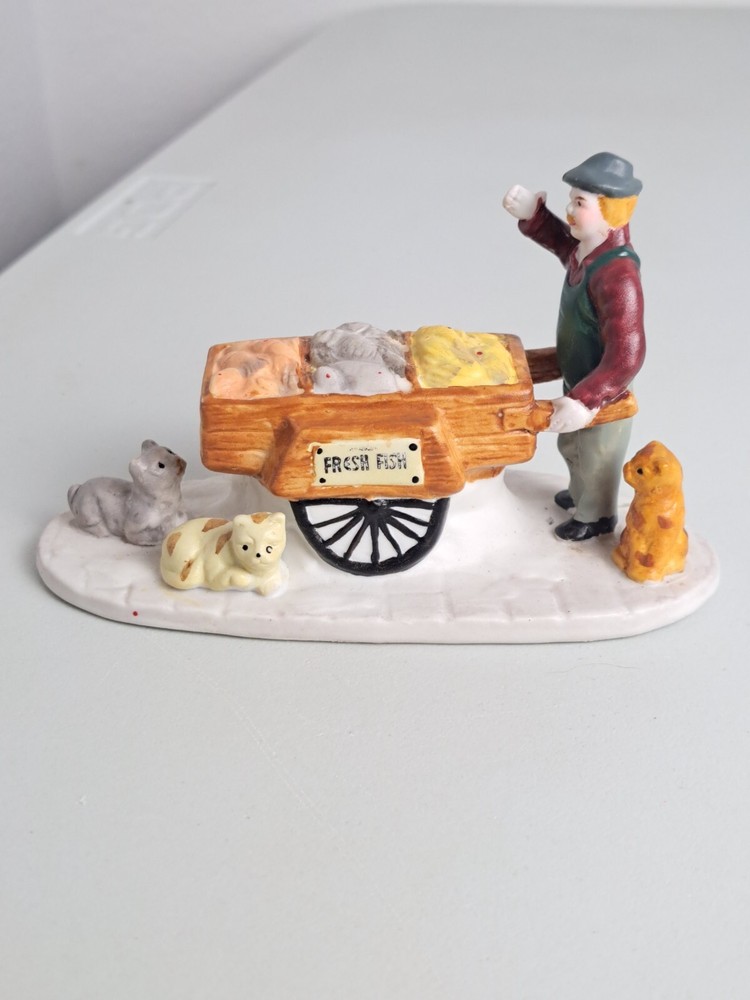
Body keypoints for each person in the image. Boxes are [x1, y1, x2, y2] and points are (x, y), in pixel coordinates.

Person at [502, 152, 646, 541]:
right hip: (579, 376)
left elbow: (628, 355)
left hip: (603, 391)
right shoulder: (586, 251)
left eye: (579, 203)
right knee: (573, 445)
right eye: (571, 200)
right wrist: (535, 215)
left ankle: (595, 514)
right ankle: (580, 493)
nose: (570, 209)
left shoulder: (618, 274)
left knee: (597, 453)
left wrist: (587, 399)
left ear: (610, 212)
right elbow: (560, 242)